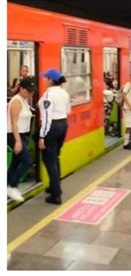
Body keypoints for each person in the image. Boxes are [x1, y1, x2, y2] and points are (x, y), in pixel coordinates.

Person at [38, 69, 71, 205]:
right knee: (55, 156)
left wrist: (42, 136)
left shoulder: (48, 95)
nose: (45, 80)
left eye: (46, 78)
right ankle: (54, 185)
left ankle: (56, 195)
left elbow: (46, 118)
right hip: (63, 124)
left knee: (49, 159)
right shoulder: (64, 93)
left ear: (51, 80)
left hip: (51, 127)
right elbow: (68, 110)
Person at [7, 77, 36, 202]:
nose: (30, 93)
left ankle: (6, 186)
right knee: (27, 161)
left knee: (16, 162)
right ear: (21, 88)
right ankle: (12, 186)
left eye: (32, 91)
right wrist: (18, 141)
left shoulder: (24, 100)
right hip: (14, 135)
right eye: (28, 90)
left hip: (23, 135)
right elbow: (14, 123)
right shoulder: (16, 101)